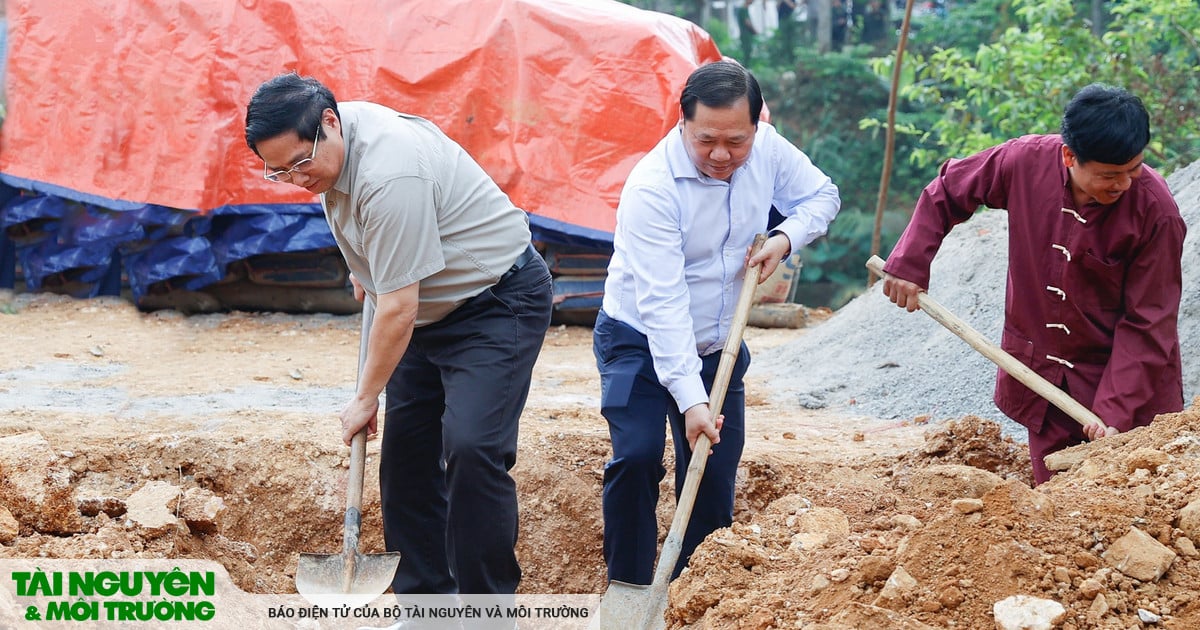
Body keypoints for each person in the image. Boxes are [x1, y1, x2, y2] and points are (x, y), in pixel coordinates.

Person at [244, 73, 553, 597]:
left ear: (329, 124)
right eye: (278, 172)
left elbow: (399, 306)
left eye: (300, 163)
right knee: (407, 463)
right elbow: (376, 252)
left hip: (494, 302)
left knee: (473, 449)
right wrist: (368, 268)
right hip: (422, 309)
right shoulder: (333, 144)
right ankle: (424, 601)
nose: (295, 179)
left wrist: (364, 398)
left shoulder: (390, 171)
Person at [594, 60, 841, 585]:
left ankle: (697, 593)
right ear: (682, 123)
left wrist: (784, 237)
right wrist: (691, 400)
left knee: (712, 470)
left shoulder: (769, 149)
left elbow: (823, 197)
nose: (722, 155)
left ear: (757, 126)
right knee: (636, 458)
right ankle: (630, 589)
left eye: (737, 141)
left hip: (718, 344)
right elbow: (663, 305)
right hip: (637, 338)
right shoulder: (652, 188)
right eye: (707, 140)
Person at [881, 83, 1185, 485]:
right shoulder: (1023, 162)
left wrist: (1114, 413)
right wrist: (909, 262)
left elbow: (1148, 323)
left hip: (1129, 387)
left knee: (1129, 506)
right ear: (1069, 156)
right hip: (1042, 378)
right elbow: (949, 190)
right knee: (1054, 512)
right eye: (1110, 176)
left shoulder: (1156, 211)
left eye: (1134, 169)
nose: (1124, 185)